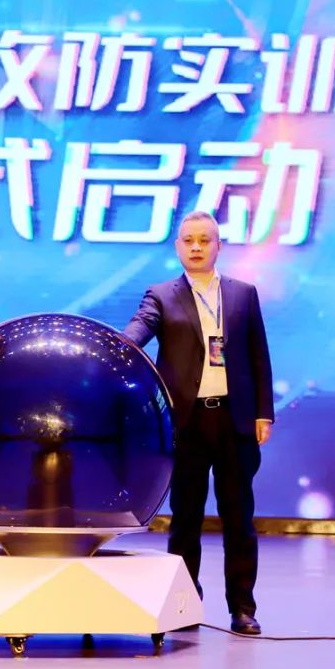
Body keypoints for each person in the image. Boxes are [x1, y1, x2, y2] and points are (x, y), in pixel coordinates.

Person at [124, 210, 274, 635]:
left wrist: (264, 412)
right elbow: (139, 330)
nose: (196, 247)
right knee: (185, 519)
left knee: (238, 518)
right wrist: (119, 344)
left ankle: (242, 608)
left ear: (218, 246)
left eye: (204, 240)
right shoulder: (161, 295)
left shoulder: (243, 294)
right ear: (178, 247)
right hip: (186, 423)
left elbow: (259, 355)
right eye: (188, 240)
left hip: (234, 420)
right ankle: (185, 603)